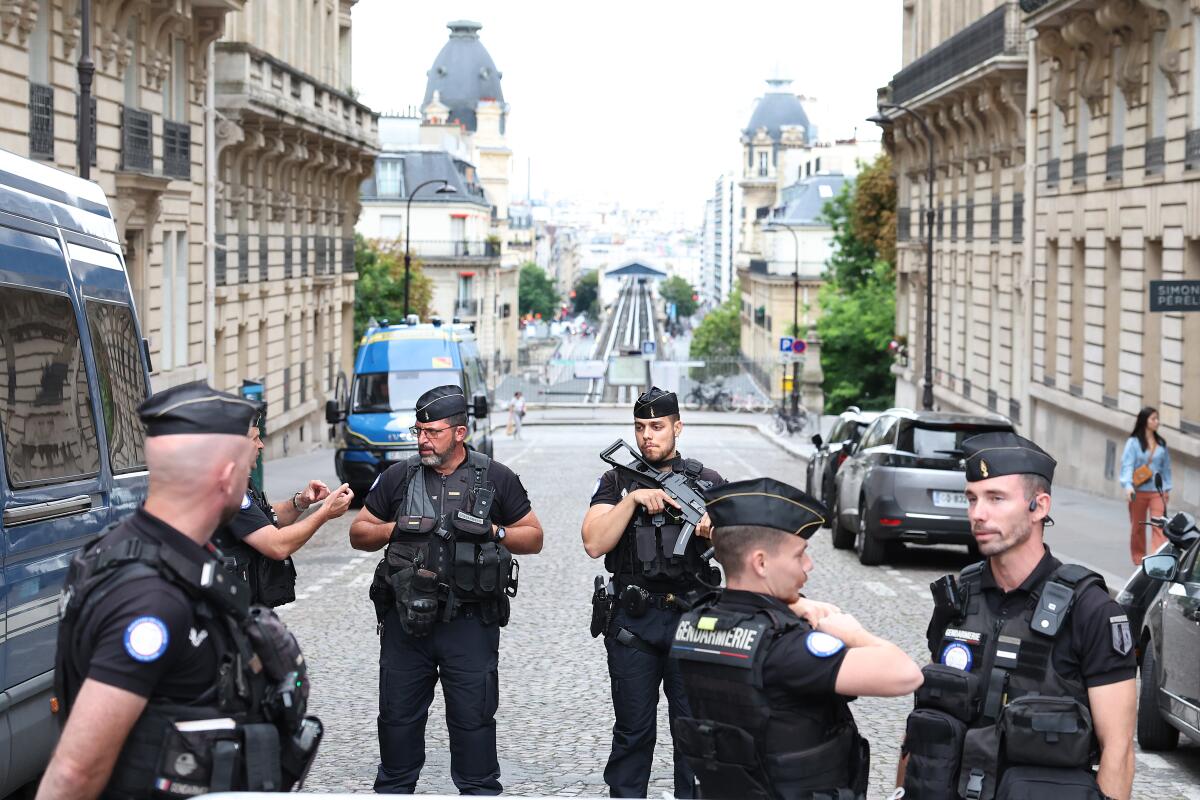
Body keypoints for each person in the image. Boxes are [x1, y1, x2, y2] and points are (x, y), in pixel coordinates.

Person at [38, 381, 322, 800]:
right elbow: (74, 772)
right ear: (227, 476)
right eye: (246, 464)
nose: (250, 473)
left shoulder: (161, 552)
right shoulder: (151, 599)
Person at [898, 432, 1136, 800]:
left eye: (996, 499)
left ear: (1039, 507)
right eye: (972, 499)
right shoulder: (960, 597)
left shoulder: (1092, 611)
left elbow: (1117, 751)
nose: (978, 514)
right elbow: (926, 719)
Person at [670, 477, 923, 799]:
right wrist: (851, 633)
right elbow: (905, 675)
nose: (809, 564)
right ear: (761, 563)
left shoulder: (694, 625)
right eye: (799, 554)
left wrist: (794, 603)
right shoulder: (785, 648)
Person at [349, 384, 544, 794]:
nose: (422, 439)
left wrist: (494, 530)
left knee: (474, 727)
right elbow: (359, 532)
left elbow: (534, 537)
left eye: (432, 431)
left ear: (459, 432)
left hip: (470, 625)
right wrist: (396, 527)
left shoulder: (495, 477)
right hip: (407, 624)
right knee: (397, 725)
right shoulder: (399, 477)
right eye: (418, 430)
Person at [580, 387, 725, 799]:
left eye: (657, 427)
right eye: (641, 427)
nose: (648, 436)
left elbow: (745, 551)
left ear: (677, 428)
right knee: (632, 732)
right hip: (633, 624)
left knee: (694, 734)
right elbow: (593, 542)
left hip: (693, 622)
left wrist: (717, 526)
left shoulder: (706, 481)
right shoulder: (615, 480)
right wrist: (632, 501)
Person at [212, 418, 354, 606]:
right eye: (255, 439)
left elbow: (264, 518)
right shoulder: (229, 490)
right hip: (227, 612)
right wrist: (324, 512)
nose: (261, 445)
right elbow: (277, 546)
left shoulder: (237, 482)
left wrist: (300, 502)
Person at [1120, 406, 1172, 564]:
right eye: (1153, 419)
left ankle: (1157, 559)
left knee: (1159, 525)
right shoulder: (1133, 443)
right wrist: (1128, 486)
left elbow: (1166, 468)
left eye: (1157, 418)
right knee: (1138, 527)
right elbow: (1127, 465)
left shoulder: (1161, 443)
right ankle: (1139, 559)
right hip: (1138, 492)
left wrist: (1167, 488)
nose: (1157, 422)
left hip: (1157, 491)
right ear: (1145, 421)